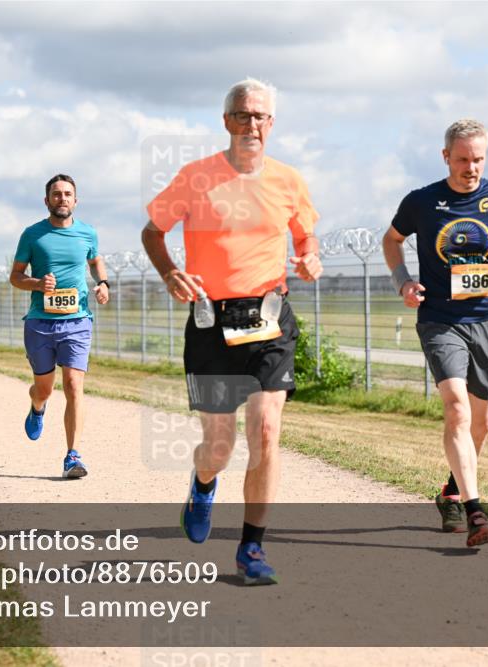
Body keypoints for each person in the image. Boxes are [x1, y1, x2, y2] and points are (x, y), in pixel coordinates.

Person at [141, 78, 322, 585]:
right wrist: (169, 272)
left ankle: (251, 548)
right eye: (242, 114)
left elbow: (306, 238)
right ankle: (203, 484)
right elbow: (153, 231)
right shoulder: (195, 177)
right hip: (210, 323)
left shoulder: (289, 180)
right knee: (218, 447)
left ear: (272, 123)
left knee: (265, 430)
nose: (252, 124)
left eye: (260, 115)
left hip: (269, 319)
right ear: (226, 121)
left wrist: (309, 259)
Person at [382, 119, 488, 547]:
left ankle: (451, 492)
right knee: (456, 408)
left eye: (479, 159)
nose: (471, 168)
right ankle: (475, 511)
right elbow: (391, 240)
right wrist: (402, 281)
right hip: (440, 319)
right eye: (463, 159)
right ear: (446, 156)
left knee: (482, 422)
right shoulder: (421, 201)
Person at [10, 174, 109, 478]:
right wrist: (37, 284)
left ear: (75, 200)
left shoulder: (87, 233)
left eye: (67, 194)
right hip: (40, 322)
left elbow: (95, 261)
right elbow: (15, 277)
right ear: (47, 200)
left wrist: (103, 283)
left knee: (74, 385)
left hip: (77, 320)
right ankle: (37, 407)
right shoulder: (32, 235)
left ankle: (73, 456)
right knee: (44, 389)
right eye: (56, 194)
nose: (62, 198)